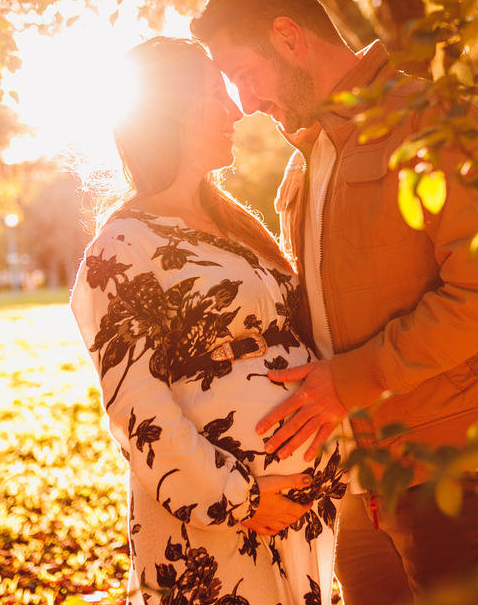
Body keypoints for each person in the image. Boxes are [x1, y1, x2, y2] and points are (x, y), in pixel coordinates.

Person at [191, 0, 478, 604]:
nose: (246, 102)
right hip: (353, 476)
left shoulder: (434, 122)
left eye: (243, 74)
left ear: (289, 37)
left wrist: (349, 381)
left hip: (447, 471)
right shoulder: (309, 160)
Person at [70, 37, 345, 605]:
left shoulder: (238, 225)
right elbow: (136, 407)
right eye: (215, 96)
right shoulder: (121, 247)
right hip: (216, 525)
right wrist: (240, 499)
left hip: (297, 511)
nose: (236, 110)